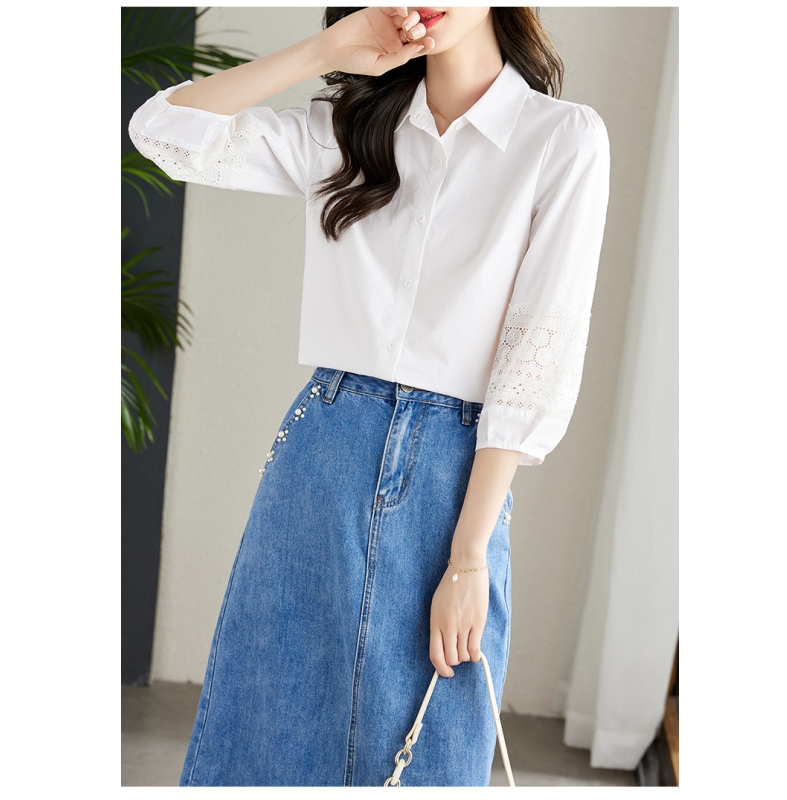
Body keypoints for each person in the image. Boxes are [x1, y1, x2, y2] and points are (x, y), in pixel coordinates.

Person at [128, 6, 610, 787]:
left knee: (429, 750)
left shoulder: (562, 139)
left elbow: (534, 359)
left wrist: (469, 557)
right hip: (325, 449)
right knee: (266, 730)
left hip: (456, 471)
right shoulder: (349, 128)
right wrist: (323, 49)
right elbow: (160, 131)